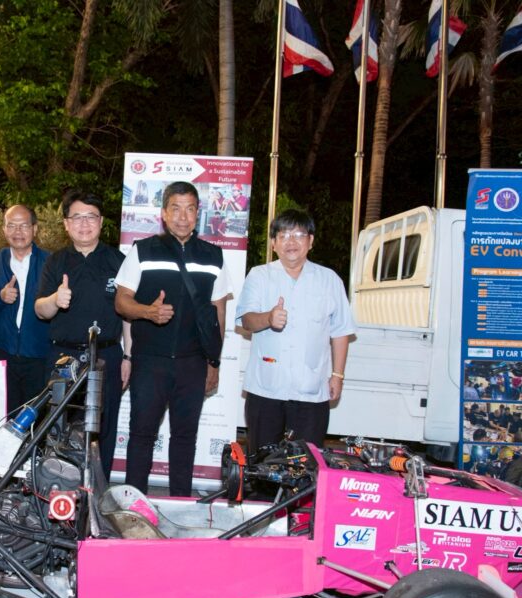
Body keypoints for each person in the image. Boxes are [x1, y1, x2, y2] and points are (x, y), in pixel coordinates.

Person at [115, 181, 232, 497]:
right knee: (141, 436)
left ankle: (181, 505)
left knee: (185, 438)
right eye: (176, 208)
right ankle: (133, 506)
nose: (183, 217)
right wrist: (148, 312)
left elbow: (218, 313)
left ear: (198, 214)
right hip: (149, 361)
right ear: (164, 214)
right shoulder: (143, 250)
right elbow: (121, 302)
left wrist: (214, 362)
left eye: (190, 209)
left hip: (193, 363)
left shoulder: (213, 256)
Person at [237, 209, 355, 453]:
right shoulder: (259, 276)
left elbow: (341, 331)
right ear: (274, 243)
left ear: (311, 241)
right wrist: (268, 318)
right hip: (266, 389)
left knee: (306, 463)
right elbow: (246, 320)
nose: (291, 241)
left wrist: (337, 375)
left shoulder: (329, 280)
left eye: (299, 235)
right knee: (262, 461)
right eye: (283, 235)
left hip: (311, 390)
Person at [35, 190, 131, 478]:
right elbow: (40, 310)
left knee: (105, 426)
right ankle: (59, 488)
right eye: (77, 217)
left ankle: (99, 490)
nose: (84, 224)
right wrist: (56, 299)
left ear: (101, 222)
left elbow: (128, 314)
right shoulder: (56, 262)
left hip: (107, 355)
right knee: (59, 425)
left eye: (91, 217)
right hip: (64, 358)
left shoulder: (119, 261)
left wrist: (128, 356)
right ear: (66, 224)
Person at [0, 204, 51, 412]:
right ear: (4, 230)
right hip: (2, 352)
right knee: (3, 415)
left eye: (24, 225)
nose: (18, 231)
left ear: (34, 229)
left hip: (38, 354)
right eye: (11, 226)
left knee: (36, 417)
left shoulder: (50, 262)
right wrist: (0, 298)